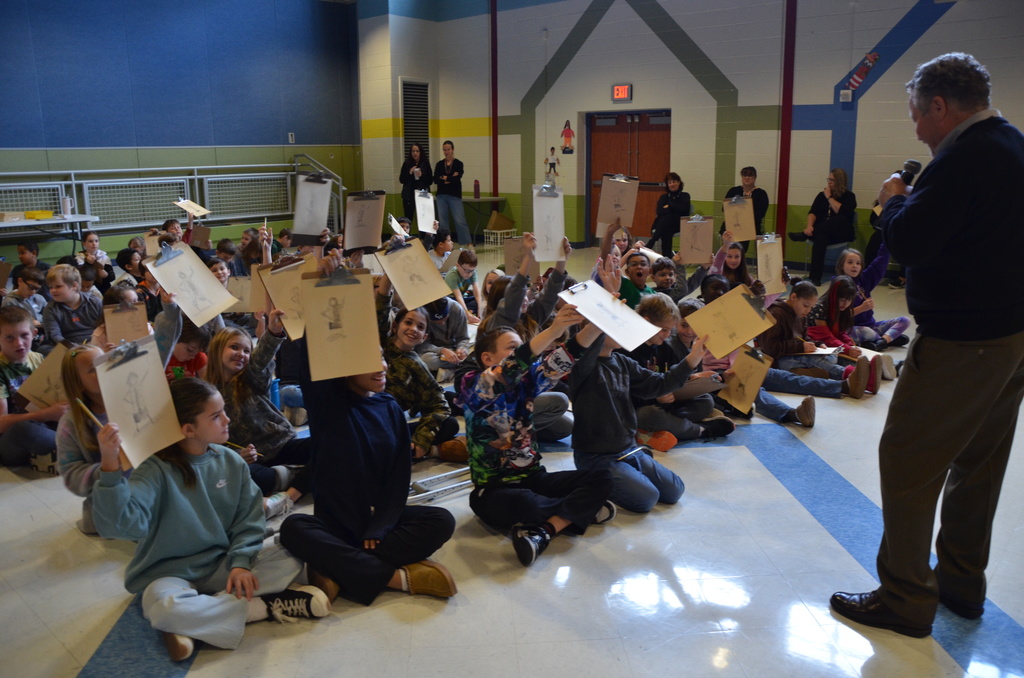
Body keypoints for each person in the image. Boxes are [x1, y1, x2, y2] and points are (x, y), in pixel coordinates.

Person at [830, 53, 1024, 639]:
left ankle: (906, 596)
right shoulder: (1013, 145)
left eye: (917, 114)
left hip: (964, 340)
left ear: (940, 106)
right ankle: (962, 583)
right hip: (1009, 335)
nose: (916, 127)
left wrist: (893, 200)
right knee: (979, 462)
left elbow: (910, 240)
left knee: (907, 459)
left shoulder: (961, 159)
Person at [91, 378, 330, 662]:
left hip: (223, 565)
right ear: (188, 429)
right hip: (171, 574)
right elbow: (119, 526)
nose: (227, 419)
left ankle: (194, 623)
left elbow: (250, 520)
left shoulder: (231, 461)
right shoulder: (154, 470)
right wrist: (109, 467)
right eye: (216, 416)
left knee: (290, 557)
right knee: (161, 604)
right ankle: (261, 608)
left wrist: (240, 563)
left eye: (223, 411)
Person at [456, 309, 614, 566]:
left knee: (603, 475)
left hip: (533, 477)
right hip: (493, 490)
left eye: (523, 346)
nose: (529, 352)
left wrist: (598, 323)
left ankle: (545, 530)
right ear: (487, 358)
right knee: (529, 504)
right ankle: (580, 510)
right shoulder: (472, 383)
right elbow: (510, 367)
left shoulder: (528, 381)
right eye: (513, 347)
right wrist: (552, 331)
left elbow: (566, 356)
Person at [57, 291, 182, 534]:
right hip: (115, 498)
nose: (103, 368)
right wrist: (108, 462)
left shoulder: (131, 391)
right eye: (94, 369)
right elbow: (71, 476)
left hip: (154, 482)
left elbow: (162, 349)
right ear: (78, 383)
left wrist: (170, 309)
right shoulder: (71, 423)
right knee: (154, 525)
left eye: (105, 360)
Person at [0, 307, 69, 467]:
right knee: (24, 430)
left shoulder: (38, 359)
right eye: (9, 338)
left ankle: (70, 446)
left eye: (24, 335)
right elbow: (1, 423)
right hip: (10, 439)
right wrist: (46, 414)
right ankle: (74, 447)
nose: (19, 343)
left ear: (34, 334)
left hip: (45, 423)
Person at [834, 248, 911, 351]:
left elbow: (880, 262)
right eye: (850, 262)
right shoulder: (837, 284)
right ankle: (888, 338)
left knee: (905, 320)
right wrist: (862, 308)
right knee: (866, 331)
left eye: (858, 263)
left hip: (871, 326)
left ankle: (881, 341)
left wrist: (886, 240)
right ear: (841, 265)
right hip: (851, 328)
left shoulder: (864, 279)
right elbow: (837, 315)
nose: (854, 266)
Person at [789, 168, 857, 286]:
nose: (829, 182)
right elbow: (813, 212)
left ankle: (804, 235)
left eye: (832, 180)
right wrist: (809, 226)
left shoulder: (849, 196)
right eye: (828, 179)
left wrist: (829, 197)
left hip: (840, 233)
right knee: (821, 238)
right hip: (823, 232)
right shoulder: (821, 196)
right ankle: (815, 277)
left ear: (840, 181)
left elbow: (840, 211)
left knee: (840, 219)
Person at [41, 264, 104, 349]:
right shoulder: (50, 309)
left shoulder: (95, 302)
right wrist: (75, 348)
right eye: (50, 287)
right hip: (68, 347)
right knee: (44, 349)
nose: (53, 291)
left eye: (58, 286)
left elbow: (105, 327)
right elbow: (54, 336)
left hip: (95, 343)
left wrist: (93, 345)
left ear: (74, 286)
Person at [434, 140, 471, 244]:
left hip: (454, 195)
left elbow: (457, 179)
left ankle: (466, 242)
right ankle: (445, 242)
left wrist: (445, 178)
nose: (446, 152)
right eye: (444, 150)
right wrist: (450, 178)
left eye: (448, 149)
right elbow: (436, 179)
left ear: (452, 150)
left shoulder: (458, 164)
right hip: (441, 195)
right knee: (443, 221)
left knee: (459, 220)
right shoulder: (440, 164)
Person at [649, 172, 691, 256]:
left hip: (679, 224)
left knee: (668, 218)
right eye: (669, 182)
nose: (672, 184)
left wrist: (669, 207)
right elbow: (659, 211)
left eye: (674, 181)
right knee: (667, 229)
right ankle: (667, 257)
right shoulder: (664, 197)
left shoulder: (685, 196)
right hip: (667, 225)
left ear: (679, 182)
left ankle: (653, 241)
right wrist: (674, 209)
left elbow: (685, 210)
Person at [724, 166, 770, 241]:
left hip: (753, 225)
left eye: (750, 175)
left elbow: (761, 213)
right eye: (744, 175)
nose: (747, 178)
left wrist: (746, 220)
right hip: (734, 224)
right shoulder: (734, 191)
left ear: (755, 177)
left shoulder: (761, 193)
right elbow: (725, 208)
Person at [399, 143, 433, 220]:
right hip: (409, 194)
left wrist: (422, 175)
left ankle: (423, 232)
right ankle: (407, 231)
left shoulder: (425, 163)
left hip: (422, 193)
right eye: (413, 151)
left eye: (417, 151)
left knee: (423, 219)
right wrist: (409, 173)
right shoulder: (407, 163)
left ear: (420, 152)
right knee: (408, 217)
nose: (415, 153)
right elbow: (401, 179)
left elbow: (430, 180)